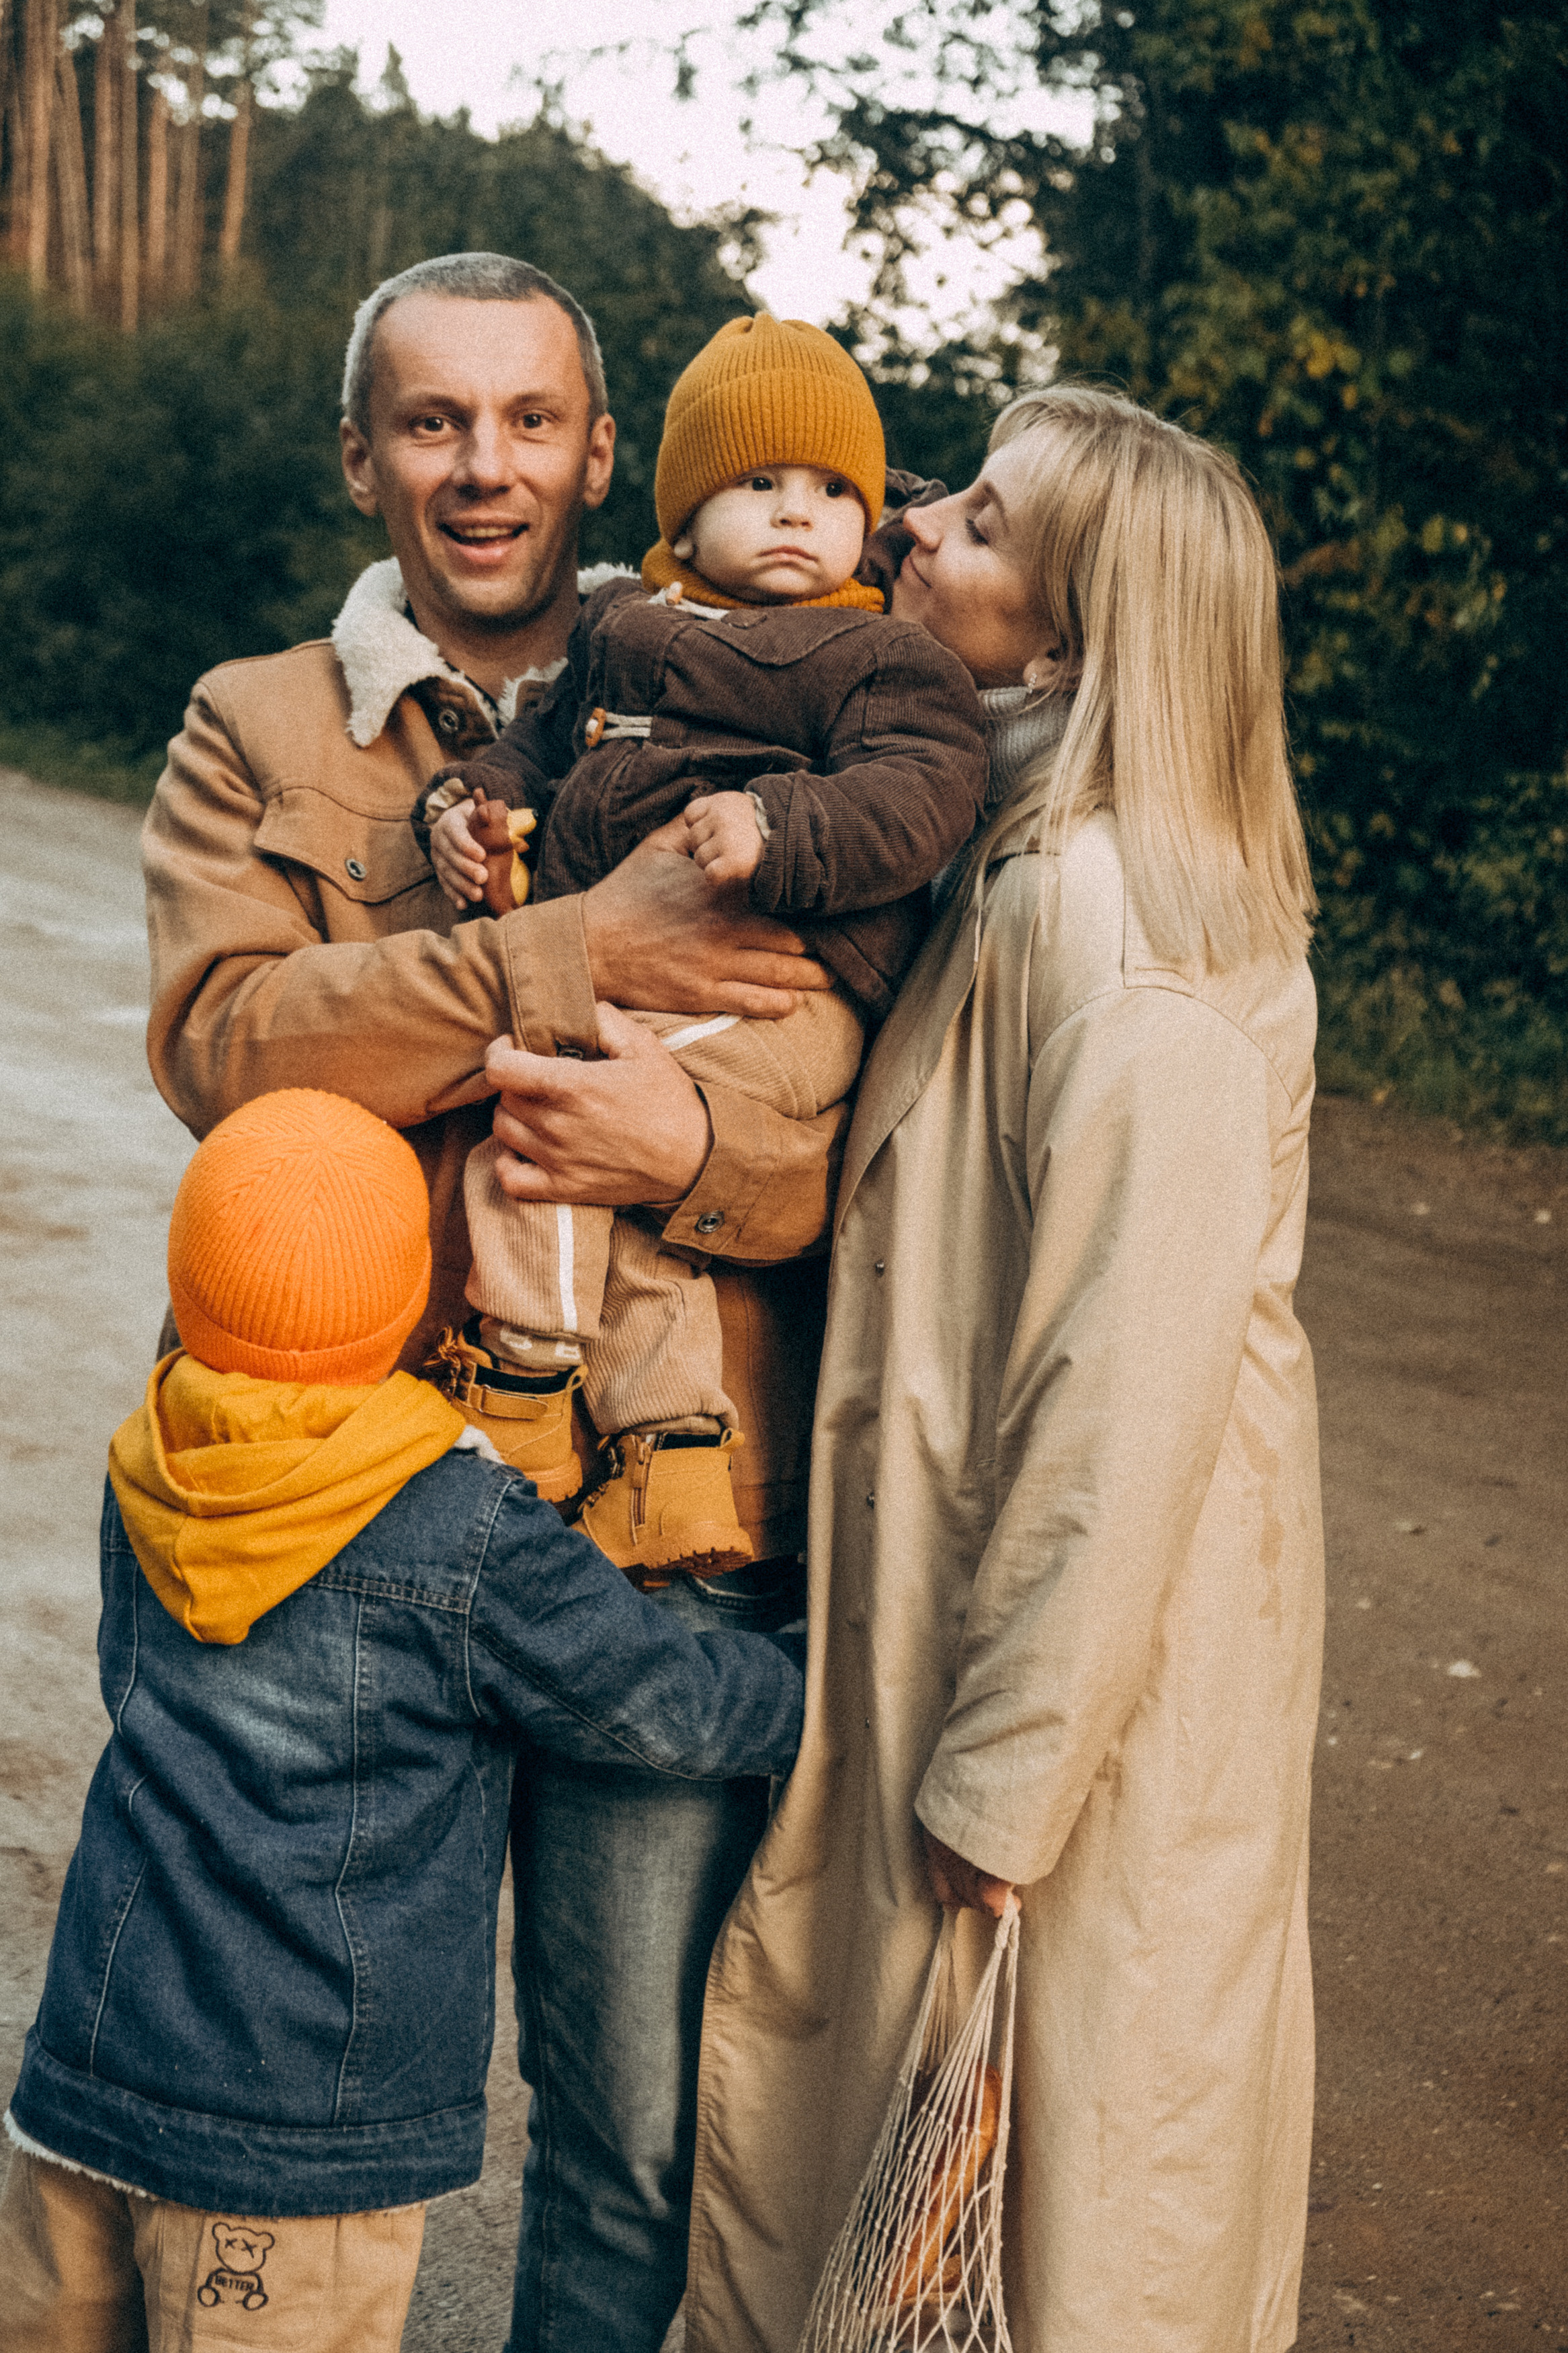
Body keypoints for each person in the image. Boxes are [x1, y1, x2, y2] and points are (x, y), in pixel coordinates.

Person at [530, 387, 1325, 2351]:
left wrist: (1004, 1780)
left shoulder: (1123, 925)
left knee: (1045, 2213)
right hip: (964, 1620)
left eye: (971, 517)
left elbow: (1123, 1398)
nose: (908, 520)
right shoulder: (1013, 847)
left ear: (1063, 632)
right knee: (907, 2193)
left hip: (1076, 1697)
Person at [138, 252, 841, 2352]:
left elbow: (844, 1111)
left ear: (601, 452)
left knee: (630, 2125)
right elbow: (231, 1052)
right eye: (432, 420)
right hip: (354, 1524)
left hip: (667, 1529)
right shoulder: (255, 727)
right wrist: (577, 954)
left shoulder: (772, 710)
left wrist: (692, 1157)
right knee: (311, 2082)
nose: (483, 466)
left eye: (530, 420)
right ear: (362, 453)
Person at [0, 1090, 804, 2353]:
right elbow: (674, 1712)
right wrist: (835, 1678)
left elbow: (123, 1677)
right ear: (413, 1302)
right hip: (297, 2150)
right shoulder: (457, 1525)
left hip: (91, 2077)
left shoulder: (147, 1457)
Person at [416, 315, 985, 1581]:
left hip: (781, 984)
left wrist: (779, 826)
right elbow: (538, 747)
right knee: (611, 1182)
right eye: (758, 484)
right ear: (681, 509)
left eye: (832, 490)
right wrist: (467, 808)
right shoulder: (619, 627)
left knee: (547, 1111)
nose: (799, 514)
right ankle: (667, 1455)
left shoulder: (878, 652)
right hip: (637, 983)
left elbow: (921, 791)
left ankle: (521, 1377)